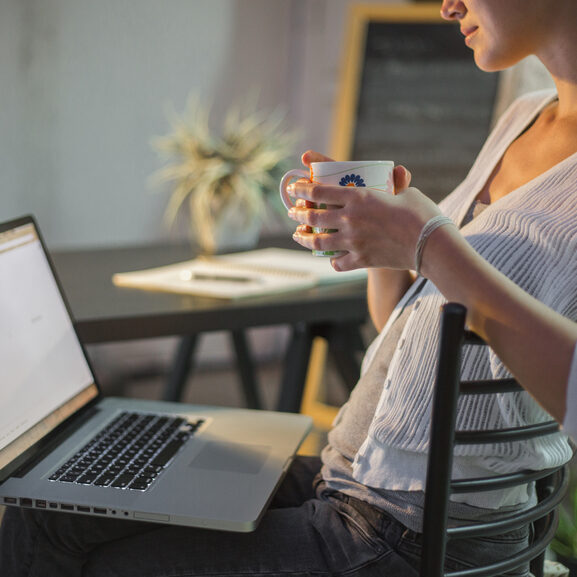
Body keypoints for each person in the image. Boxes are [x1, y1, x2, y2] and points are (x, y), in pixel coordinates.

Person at [2, 1, 577, 575]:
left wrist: (428, 244)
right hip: (354, 487)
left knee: (88, 554)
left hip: (404, 535)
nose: (448, 5)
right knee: (43, 512)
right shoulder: (525, 117)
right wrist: (380, 241)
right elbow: (416, 336)